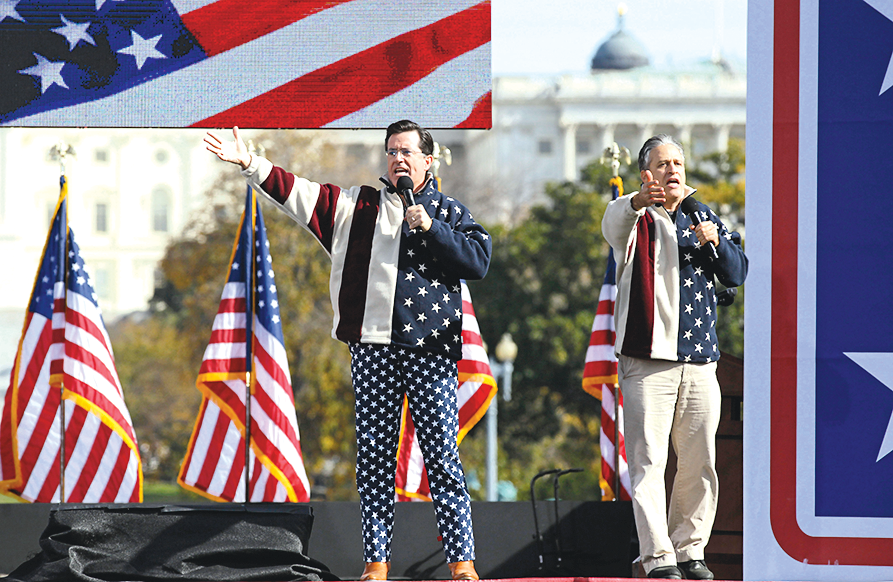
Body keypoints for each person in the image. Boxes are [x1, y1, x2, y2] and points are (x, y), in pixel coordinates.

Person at [205, 120, 490, 581]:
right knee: (374, 460)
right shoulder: (355, 206)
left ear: (428, 161)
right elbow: (296, 192)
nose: (398, 158)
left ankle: (462, 564)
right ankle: (376, 564)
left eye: (408, 152)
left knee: (442, 460)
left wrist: (432, 227)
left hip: (431, 352)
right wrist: (249, 163)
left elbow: (478, 261)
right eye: (392, 151)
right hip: (372, 351)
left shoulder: (450, 212)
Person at [601, 135, 747, 580]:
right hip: (647, 360)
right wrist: (636, 200)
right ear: (647, 172)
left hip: (701, 360)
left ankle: (690, 548)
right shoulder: (634, 214)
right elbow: (612, 225)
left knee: (700, 461)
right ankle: (658, 556)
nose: (673, 170)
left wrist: (716, 240)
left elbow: (736, 273)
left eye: (678, 162)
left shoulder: (705, 216)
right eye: (663, 163)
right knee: (649, 462)